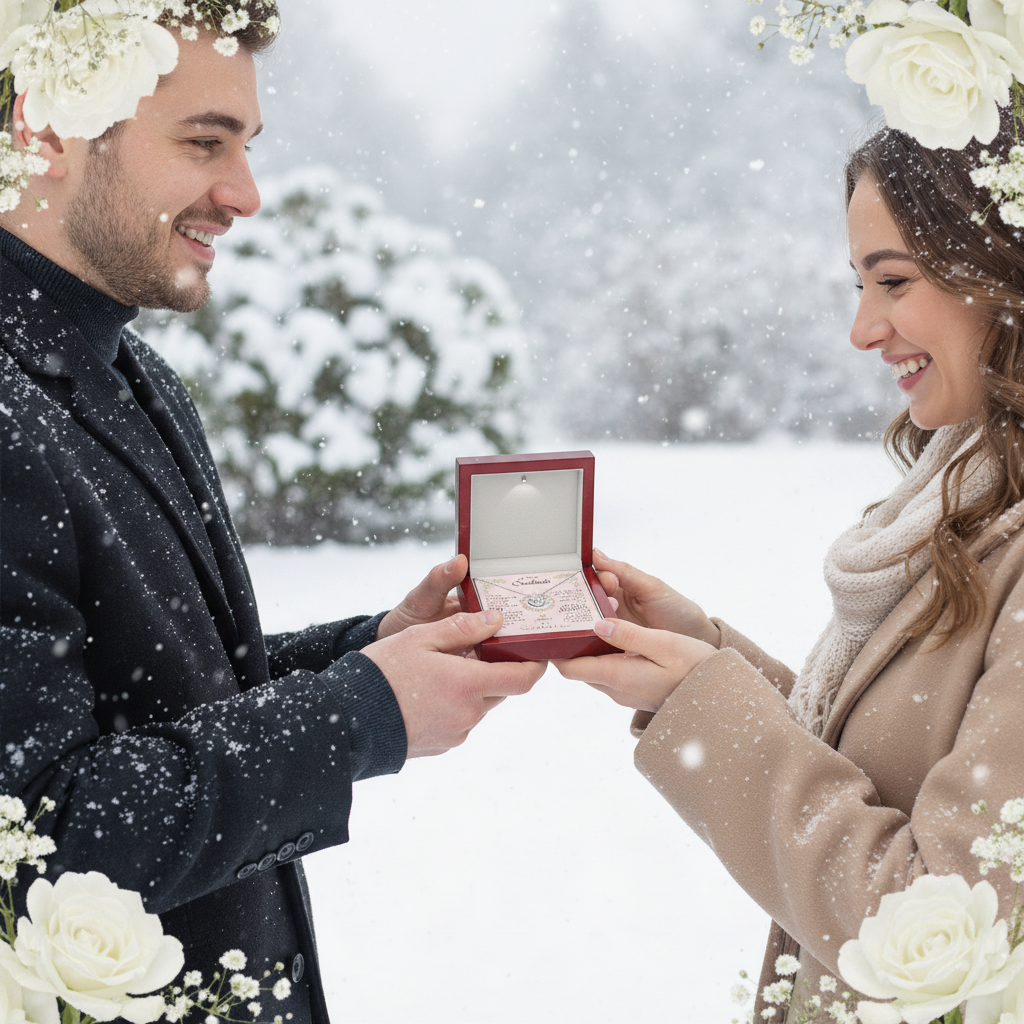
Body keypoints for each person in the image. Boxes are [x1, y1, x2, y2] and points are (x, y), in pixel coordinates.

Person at [0, 8, 544, 1022]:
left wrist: (373, 650)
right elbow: (42, 844)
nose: (244, 195)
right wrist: (360, 715)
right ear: (44, 127)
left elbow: (157, 697)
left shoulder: (135, 373)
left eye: (246, 148)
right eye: (204, 142)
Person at [557, 115, 1024, 1020]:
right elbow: (892, 767)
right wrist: (700, 658)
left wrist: (708, 705)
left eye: (893, 281)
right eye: (859, 284)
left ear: (1004, 268)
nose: (862, 329)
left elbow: (941, 926)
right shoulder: (964, 501)